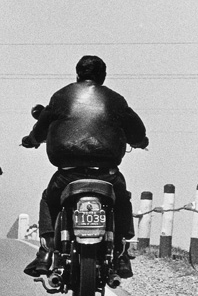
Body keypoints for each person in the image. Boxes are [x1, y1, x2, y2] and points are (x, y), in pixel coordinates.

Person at [21, 55, 148, 281]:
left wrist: (31, 140)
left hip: (68, 173)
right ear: (103, 76)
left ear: (77, 74)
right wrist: (140, 142)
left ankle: (46, 252)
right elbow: (137, 130)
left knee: (49, 199)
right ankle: (121, 254)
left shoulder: (61, 96)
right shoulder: (115, 100)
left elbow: (41, 127)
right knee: (122, 200)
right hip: (106, 174)